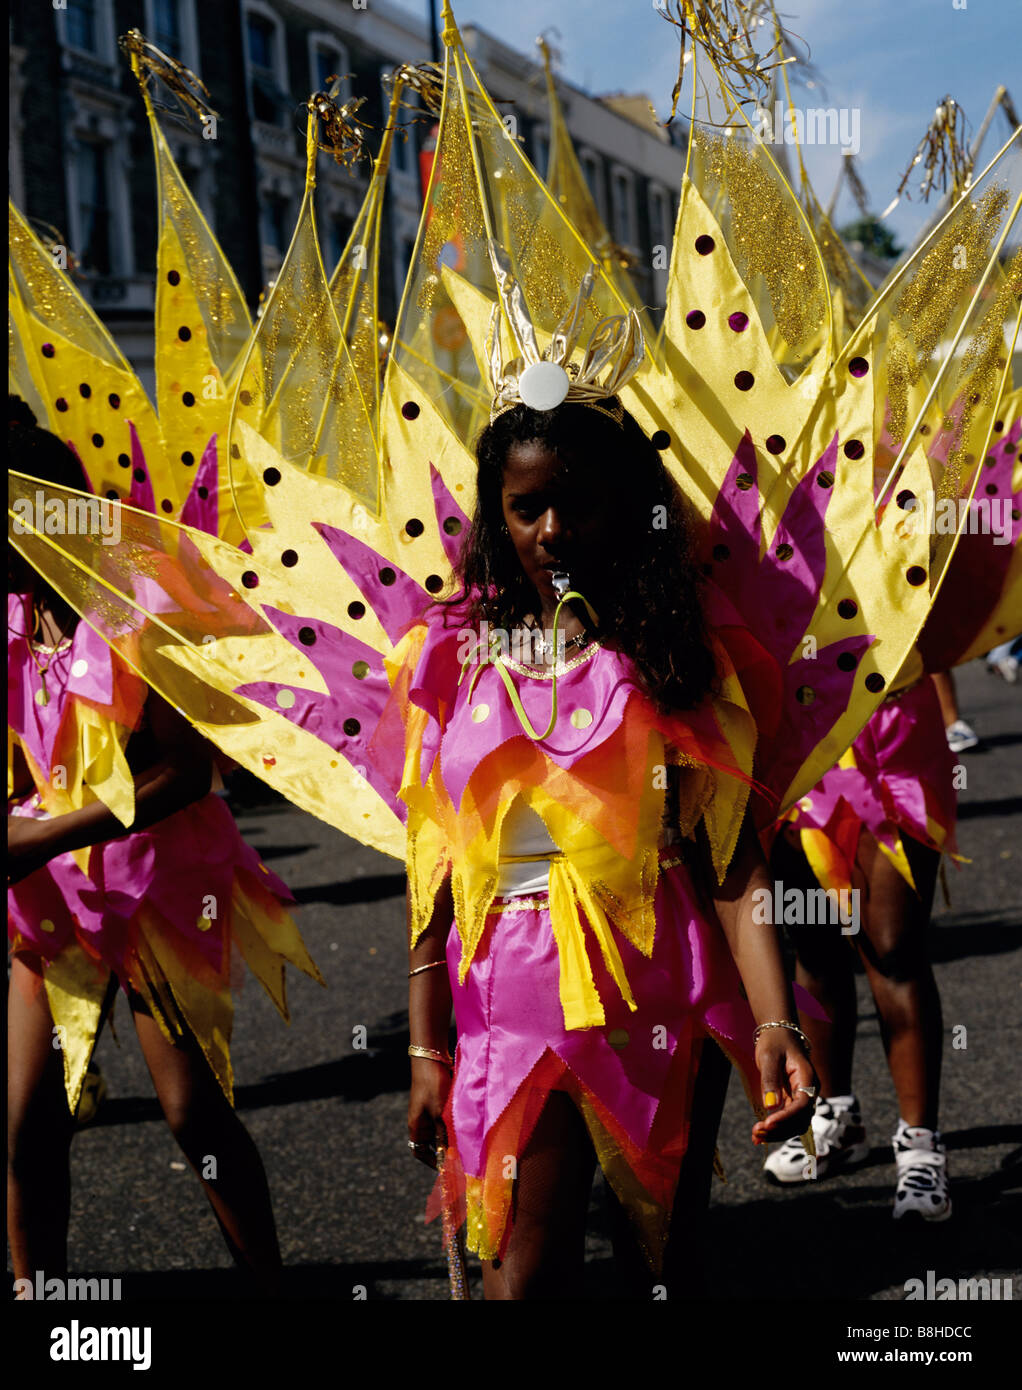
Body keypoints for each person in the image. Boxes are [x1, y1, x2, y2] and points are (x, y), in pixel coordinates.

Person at [392, 388, 819, 1298]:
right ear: (495, 514)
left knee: (660, 1264)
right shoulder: (453, 657)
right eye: (526, 507)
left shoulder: (671, 648)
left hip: (661, 979)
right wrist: (427, 1052)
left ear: (622, 503)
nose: (552, 529)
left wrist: (777, 1024)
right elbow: (432, 868)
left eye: (576, 502)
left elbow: (733, 863)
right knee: (524, 1271)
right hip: (508, 989)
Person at [7, 399, 323, 1295]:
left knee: (194, 1116)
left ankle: (267, 1283)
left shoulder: (136, 602)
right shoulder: (15, 614)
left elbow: (187, 773)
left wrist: (45, 833)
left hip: (161, 882)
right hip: (53, 893)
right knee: (26, 1123)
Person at [761, 671, 956, 1222]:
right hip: (796, 731)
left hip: (884, 729)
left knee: (891, 952)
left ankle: (920, 1143)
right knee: (815, 945)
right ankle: (836, 1118)